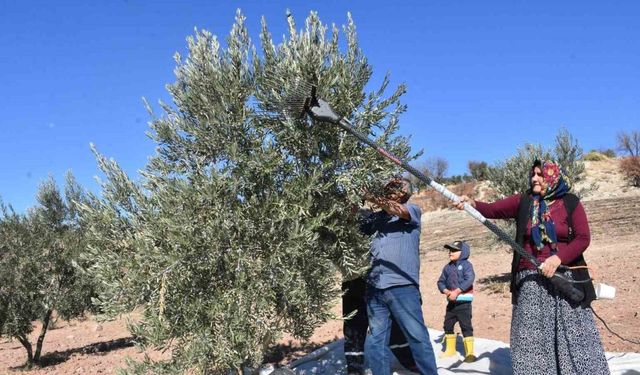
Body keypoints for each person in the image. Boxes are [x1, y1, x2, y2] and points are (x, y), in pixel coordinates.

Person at [455, 160, 609, 374]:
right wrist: (470, 203)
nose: (534, 178)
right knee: (532, 336)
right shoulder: (524, 201)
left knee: (574, 333)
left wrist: (558, 259)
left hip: (564, 278)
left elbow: (583, 238)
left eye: (540, 175)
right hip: (530, 277)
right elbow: (491, 210)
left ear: (553, 177)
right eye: (533, 174)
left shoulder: (570, 202)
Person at [360, 177, 438, 375]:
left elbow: (397, 209)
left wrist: (372, 196)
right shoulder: (376, 218)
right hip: (374, 288)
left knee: (417, 337)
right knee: (377, 341)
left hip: (402, 286)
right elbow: (356, 223)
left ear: (404, 192)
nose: (388, 190)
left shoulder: (412, 211)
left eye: (393, 187)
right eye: (386, 187)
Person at [436, 240, 476, 362]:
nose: (450, 252)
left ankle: (470, 353)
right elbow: (440, 281)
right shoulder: (447, 267)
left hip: (464, 303)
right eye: (449, 250)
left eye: (454, 250)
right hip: (451, 303)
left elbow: (470, 278)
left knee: (466, 326)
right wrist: (446, 291)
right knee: (447, 324)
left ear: (463, 252)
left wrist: (457, 291)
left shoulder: (466, 265)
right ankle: (450, 350)